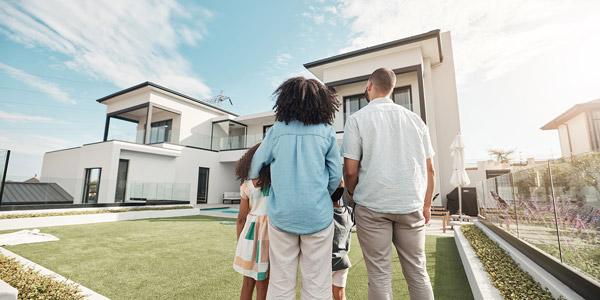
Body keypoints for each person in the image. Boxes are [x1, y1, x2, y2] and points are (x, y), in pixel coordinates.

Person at [341, 67, 436, 300]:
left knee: (379, 277)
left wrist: (352, 193)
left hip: (372, 207)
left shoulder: (356, 119)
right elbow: (430, 169)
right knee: (417, 273)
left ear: (370, 86)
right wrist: (426, 205)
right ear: (392, 89)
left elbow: (350, 170)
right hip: (411, 206)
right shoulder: (416, 121)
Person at [248, 77, 343, 300]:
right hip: (318, 217)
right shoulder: (327, 131)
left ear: (285, 100)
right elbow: (335, 174)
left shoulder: (277, 130)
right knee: (317, 284)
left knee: (281, 282)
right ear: (321, 102)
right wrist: (323, 194)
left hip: (282, 216)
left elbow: (254, 168)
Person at [233, 143, 271, 300]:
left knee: (247, 283)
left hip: (249, 235)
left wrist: (239, 241)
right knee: (263, 282)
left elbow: (241, 218)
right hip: (268, 235)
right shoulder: (275, 184)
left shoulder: (247, 185)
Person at [330, 181, 353, 300]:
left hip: (326, 262)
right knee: (340, 295)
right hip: (343, 261)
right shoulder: (348, 212)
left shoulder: (324, 214)